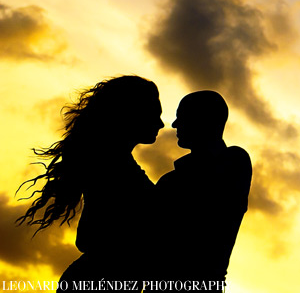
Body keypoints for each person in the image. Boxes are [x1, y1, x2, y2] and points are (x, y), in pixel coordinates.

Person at [17, 75, 164, 287]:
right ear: (131, 113)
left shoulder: (114, 163)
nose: (160, 123)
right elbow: (91, 235)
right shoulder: (111, 166)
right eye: (154, 114)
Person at [155, 90, 252, 284]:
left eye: (181, 117)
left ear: (204, 120)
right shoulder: (172, 179)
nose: (174, 124)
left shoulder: (234, 161)